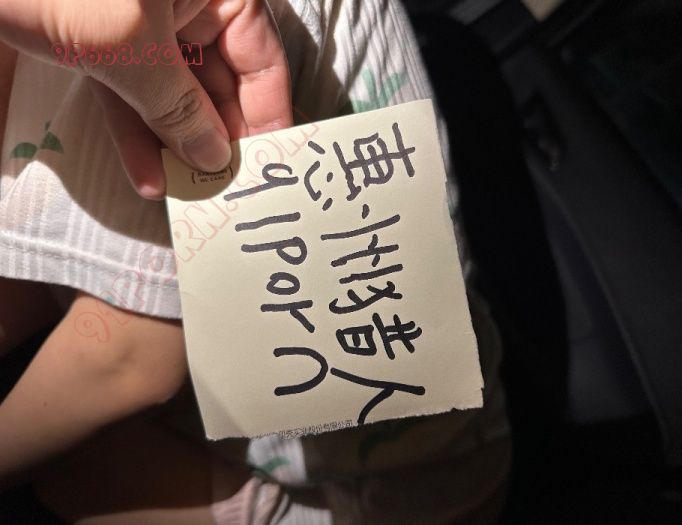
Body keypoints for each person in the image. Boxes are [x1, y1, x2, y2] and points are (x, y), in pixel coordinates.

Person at [0, 0, 510, 523]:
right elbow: (49, 247)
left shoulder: (174, 33)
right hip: (316, 430)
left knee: (79, 478)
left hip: (411, 485)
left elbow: (129, 359)